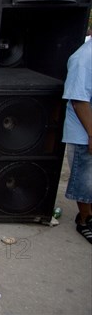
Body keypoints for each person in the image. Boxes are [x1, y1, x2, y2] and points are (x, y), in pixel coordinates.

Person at [62, 39, 92, 244]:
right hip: (84, 132)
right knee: (85, 180)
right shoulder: (83, 58)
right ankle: (85, 220)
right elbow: (78, 99)